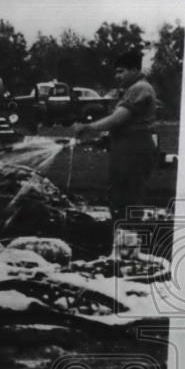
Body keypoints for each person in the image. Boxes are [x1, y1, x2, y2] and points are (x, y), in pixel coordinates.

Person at [72, 50, 158, 255]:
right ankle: (121, 249)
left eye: (121, 72)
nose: (117, 76)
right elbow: (123, 125)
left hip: (133, 150)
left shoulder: (140, 88)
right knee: (120, 198)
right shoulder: (133, 89)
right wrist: (104, 140)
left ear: (135, 70)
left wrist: (88, 127)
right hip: (125, 149)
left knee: (129, 199)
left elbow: (119, 118)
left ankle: (127, 253)